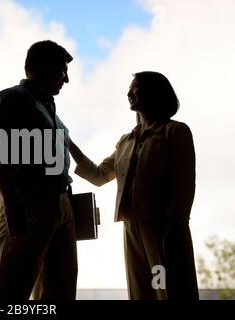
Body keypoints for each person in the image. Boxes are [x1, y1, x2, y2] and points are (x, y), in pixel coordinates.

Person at [69, 71, 199, 300]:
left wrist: (175, 226)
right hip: (131, 227)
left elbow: (185, 185)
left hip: (163, 228)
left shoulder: (175, 131)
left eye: (135, 87)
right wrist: (68, 143)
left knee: (168, 290)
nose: (129, 93)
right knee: (140, 292)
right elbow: (99, 175)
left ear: (155, 92)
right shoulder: (125, 141)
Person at [0, 40, 77, 300]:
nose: (66, 80)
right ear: (43, 66)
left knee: (60, 291)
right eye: (62, 71)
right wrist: (13, 206)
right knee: (11, 290)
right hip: (27, 202)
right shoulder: (10, 99)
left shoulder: (53, 114)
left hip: (60, 204)